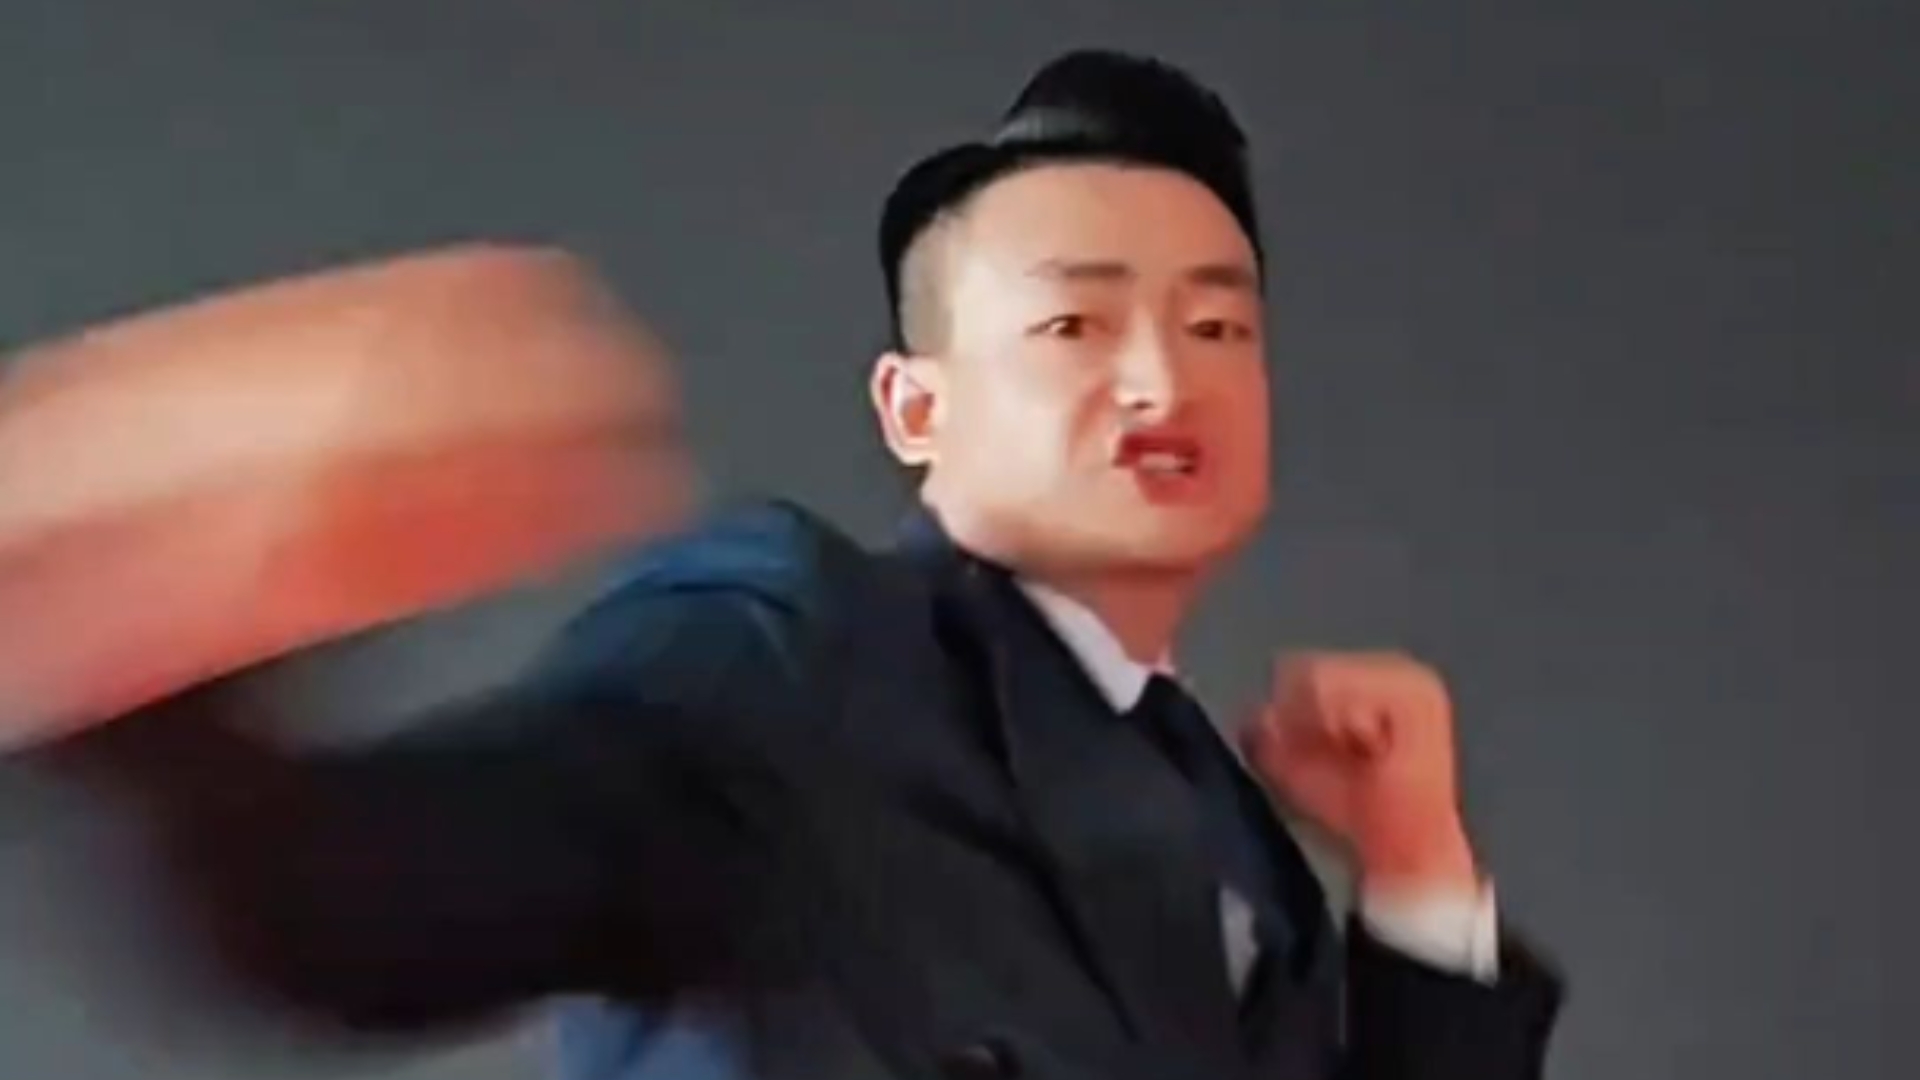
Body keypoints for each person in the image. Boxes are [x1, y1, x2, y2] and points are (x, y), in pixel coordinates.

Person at [19, 50, 1563, 1080]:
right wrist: (160, 597)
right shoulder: (792, 660)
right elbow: (371, 907)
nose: (1164, 380)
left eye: (1217, 325)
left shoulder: (1229, 828)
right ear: (918, 409)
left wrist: (1418, 860)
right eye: (1076, 323)